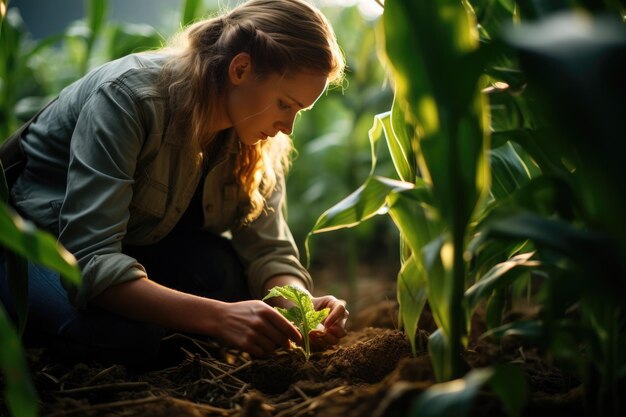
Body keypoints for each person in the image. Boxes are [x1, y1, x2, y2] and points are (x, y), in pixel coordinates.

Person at [0, 0, 348, 366]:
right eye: (284, 104)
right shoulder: (129, 98)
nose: (288, 127)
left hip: (134, 243)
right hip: (34, 244)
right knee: (120, 338)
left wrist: (300, 308)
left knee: (227, 278)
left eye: (298, 111)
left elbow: (267, 251)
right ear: (241, 69)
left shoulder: (259, 135)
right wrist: (218, 317)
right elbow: (90, 259)